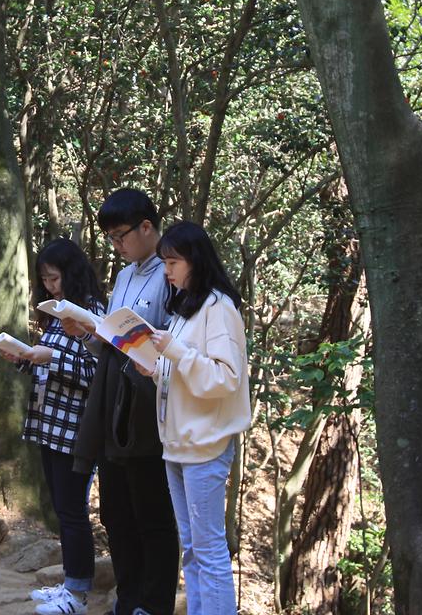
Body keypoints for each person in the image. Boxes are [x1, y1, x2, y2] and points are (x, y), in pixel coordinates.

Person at [69, 189, 180, 615]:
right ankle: (127, 598)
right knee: (116, 511)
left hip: (149, 407)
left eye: (121, 236)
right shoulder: (124, 276)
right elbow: (111, 340)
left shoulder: (171, 272)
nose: (117, 246)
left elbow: (175, 340)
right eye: (111, 238)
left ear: (147, 227)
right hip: (113, 400)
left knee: (151, 511)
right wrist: (88, 332)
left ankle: (153, 604)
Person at [0, 238, 106, 615]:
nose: (50, 286)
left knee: (72, 510)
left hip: (76, 428)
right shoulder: (57, 314)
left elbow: (96, 372)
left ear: (72, 274)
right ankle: (70, 582)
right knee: (62, 508)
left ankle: (77, 593)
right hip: (49, 423)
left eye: (54, 278)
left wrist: (51, 357)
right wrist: (23, 357)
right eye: (44, 280)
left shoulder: (91, 313)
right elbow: (51, 366)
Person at [146, 221, 250, 615]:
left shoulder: (219, 307)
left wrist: (173, 352)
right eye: (164, 263)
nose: (167, 271)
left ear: (196, 260)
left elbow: (225, 379)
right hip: (177, 443)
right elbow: (185, 373)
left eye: (173, 262)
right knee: (191, 548)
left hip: (205, 444)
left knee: (208, 550)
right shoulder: (187, 307)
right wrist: (154, 368)